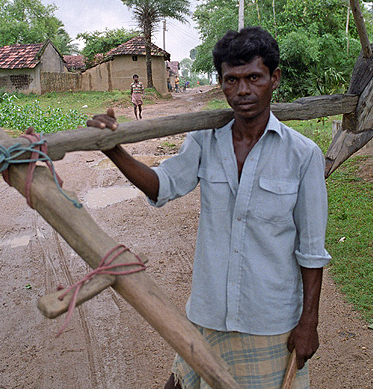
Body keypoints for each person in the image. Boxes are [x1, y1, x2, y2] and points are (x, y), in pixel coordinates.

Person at [87, 27, 330, 389]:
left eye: (254, 78)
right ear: (221, 82)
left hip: (269, 321)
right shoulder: (205, 140)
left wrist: (308, 322)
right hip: (208, 312)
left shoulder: (303, 155)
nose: (243, 90)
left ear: (274, 79)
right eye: (232, 80)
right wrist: (114, 150)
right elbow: (163, 184)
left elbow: (311, 250)